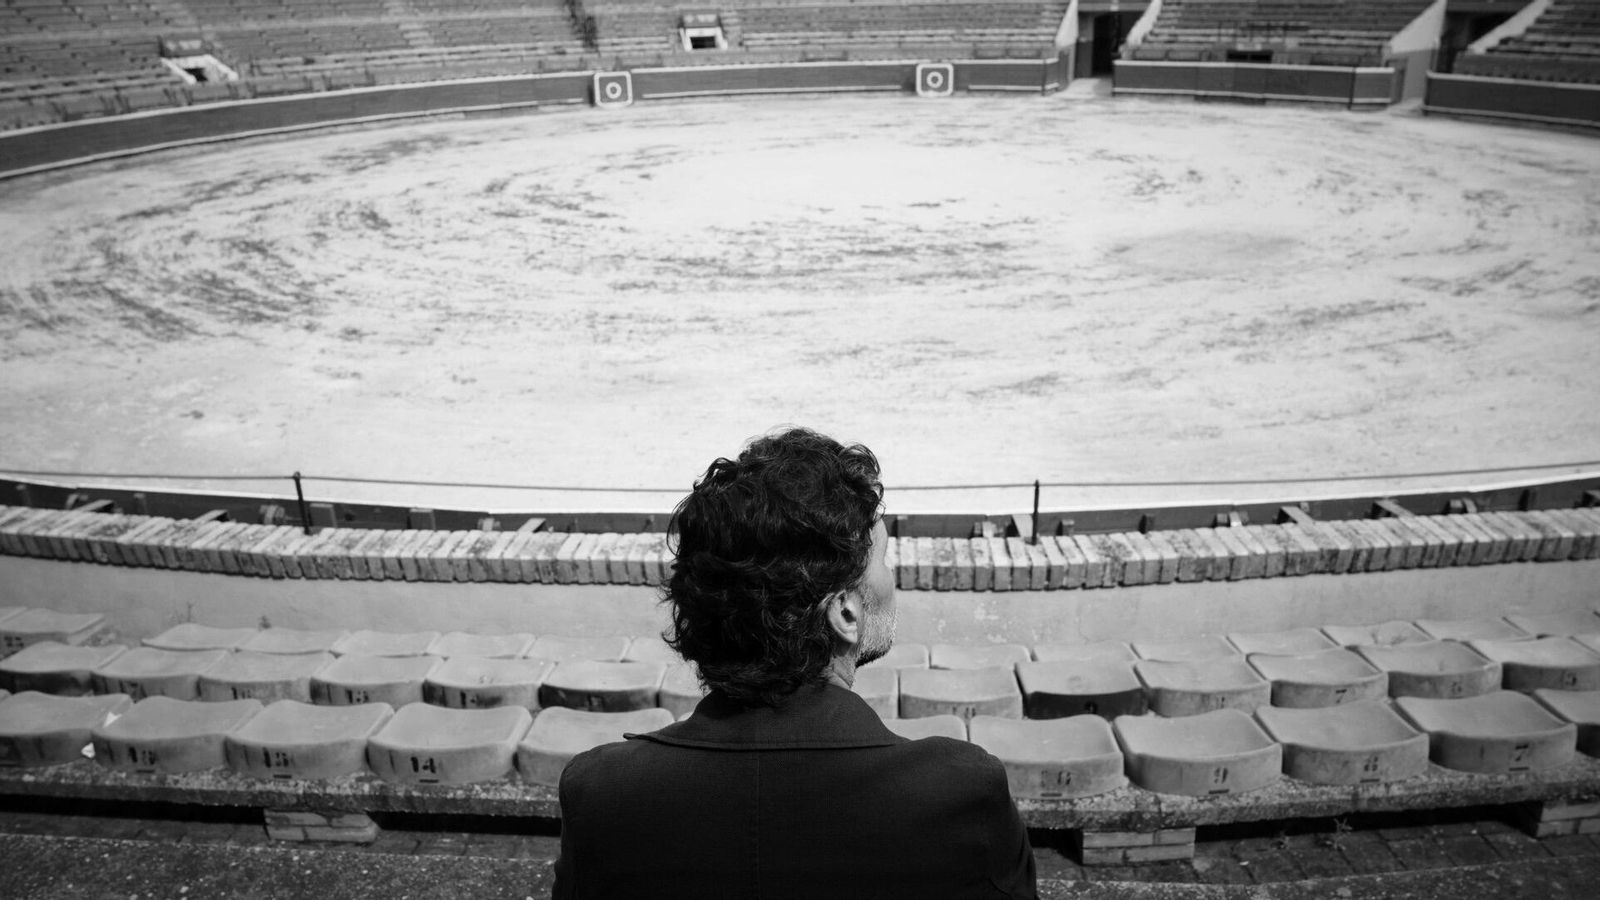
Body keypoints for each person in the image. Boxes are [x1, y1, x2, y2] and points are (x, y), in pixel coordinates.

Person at [553, 426, 1037, 899]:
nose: (893, 577)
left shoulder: (601, 795)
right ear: (846, 612)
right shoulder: (959, 793)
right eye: (885, 559)